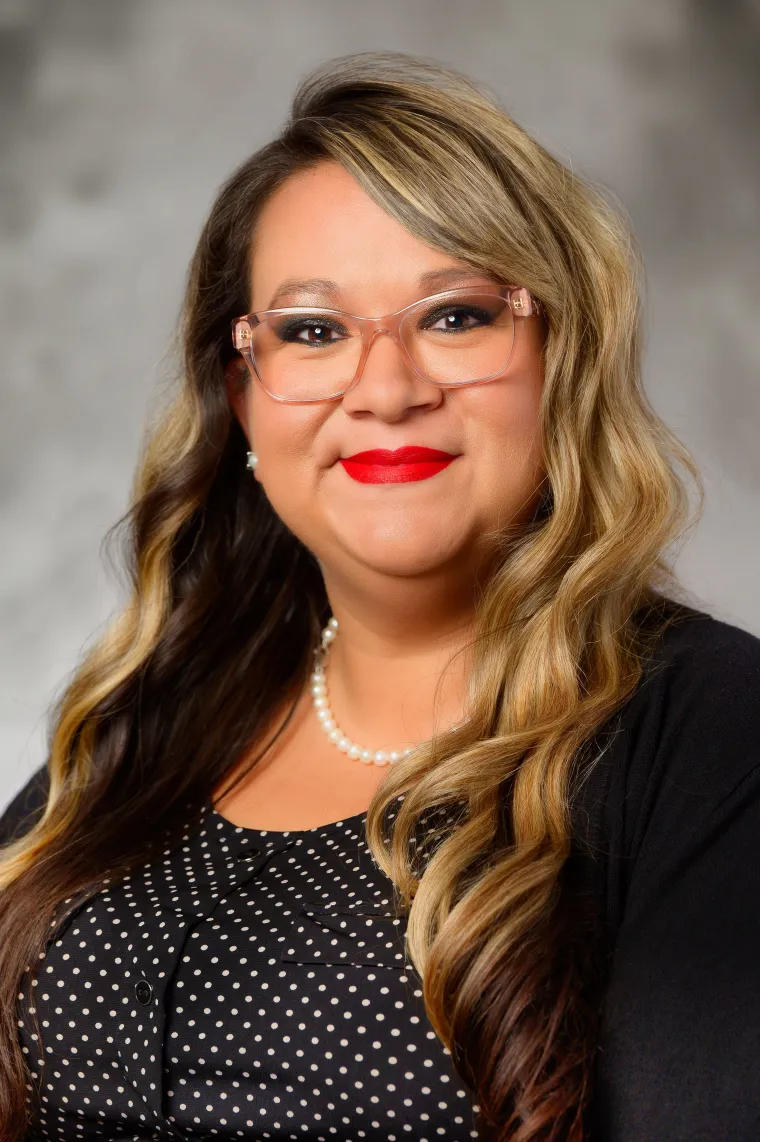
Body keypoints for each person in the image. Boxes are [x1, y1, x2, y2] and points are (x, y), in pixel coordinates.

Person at [1, 49, 759, 1142]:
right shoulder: (146, 714)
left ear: (561, 357)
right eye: (311, 331)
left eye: (455, 316)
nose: (389, 386)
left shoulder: (710, 734)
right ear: (242, 398)